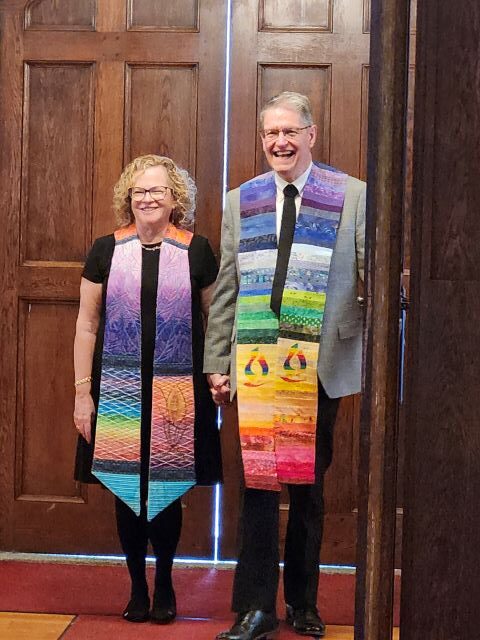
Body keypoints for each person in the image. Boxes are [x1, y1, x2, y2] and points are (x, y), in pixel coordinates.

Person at [204, 92, 365, 640]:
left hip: (318, 367)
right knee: (257, 488)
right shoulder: (241, 200)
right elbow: (228, 286)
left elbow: (372, 277)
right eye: (271, 133)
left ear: (311, 134)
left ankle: (304, 603)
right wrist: (216, 362)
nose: (280, 142)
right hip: (254, 364)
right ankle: (255, 610)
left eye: (290, 132)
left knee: (308, 491)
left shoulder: (352, 196)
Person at [73, 154, 222, 624]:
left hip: (179, 394)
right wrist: (82, 393)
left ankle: (165, 583)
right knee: (125, 490)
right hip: (117, 391)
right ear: (128, 198)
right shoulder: (105, 250)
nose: (148, 198)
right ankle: (136, 586)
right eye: (140, 190)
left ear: (175, 198)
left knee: (168, 490)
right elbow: (86, 325)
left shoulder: (196, 251)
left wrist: (219, 375)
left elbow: (215, 320)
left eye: (157, 190)